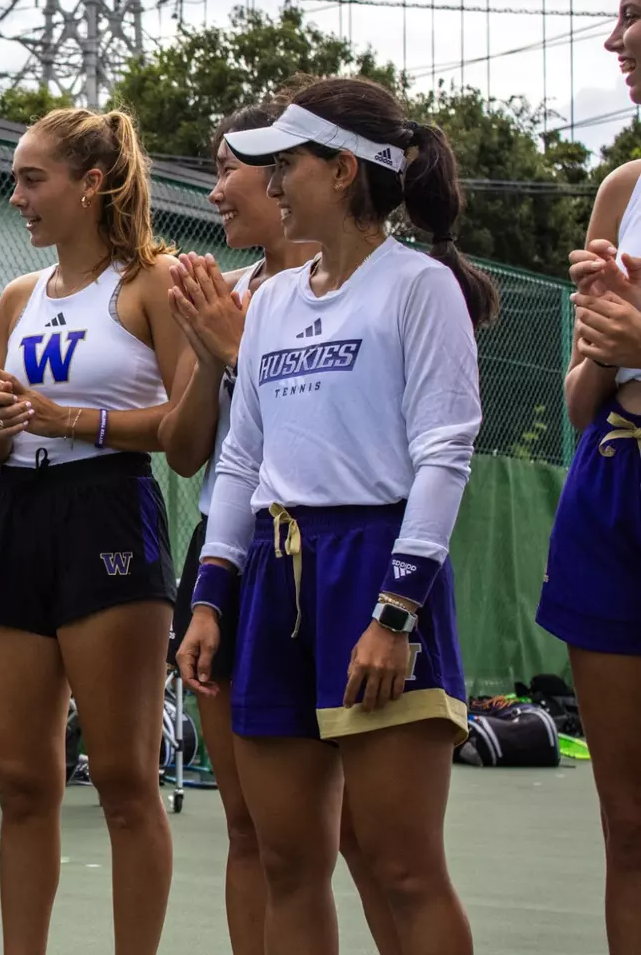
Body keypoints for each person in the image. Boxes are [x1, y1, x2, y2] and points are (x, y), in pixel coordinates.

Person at [175, 77, 499, 955]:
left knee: (402, 868)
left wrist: (395, 615)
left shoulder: (419, 288)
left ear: (345, 169)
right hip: (273, 577)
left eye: (287, 163)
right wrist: (210, 598)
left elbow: (445, 455)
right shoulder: (272, 304)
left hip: (376, 569)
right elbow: (241, 459)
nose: (272, 182)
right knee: (287, 863)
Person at [162, 103, 403, 955]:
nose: (219, 190)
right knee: (252, 829)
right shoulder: (227, 296)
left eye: (231, 168)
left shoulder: (384, 287)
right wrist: (210, 354)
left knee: (366, 840)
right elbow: (189, 451)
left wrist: (240, 353)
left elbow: (372, 445)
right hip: (231, 557)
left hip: (346, 557)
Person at [0, 107, 185, 955]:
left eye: (33, 180)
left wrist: (73, 419)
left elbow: (188, 426)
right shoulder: (17, 297)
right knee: (23, 783)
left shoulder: (153, 281)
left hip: (108, 507)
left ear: (90, 184)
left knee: (126, 781)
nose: (17, 196)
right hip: (15, 512)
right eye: (14, 180)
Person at [539, 0, 641, 955]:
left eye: (634, 16)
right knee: (627, 822)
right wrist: (605, 346)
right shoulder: (623, 187)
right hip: (611, 481)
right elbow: (578, 401)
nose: (616, 39)